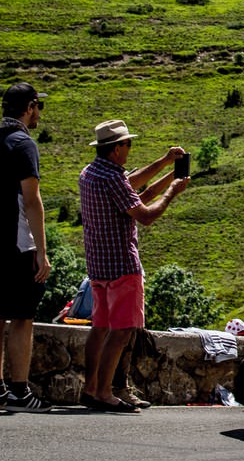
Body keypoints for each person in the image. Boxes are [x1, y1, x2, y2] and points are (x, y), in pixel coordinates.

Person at [78, 119, 189, 413]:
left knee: (99, 328)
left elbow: (135, 186)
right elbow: (146, 214)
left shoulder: (90, 173)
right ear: (117, 149)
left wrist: (166, 165)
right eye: (128, 144)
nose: (130, 149)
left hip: (98, 264)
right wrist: (172, 193)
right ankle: (105, 392)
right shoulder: (113, 178)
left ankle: (90, 388)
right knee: (123, 330)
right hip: (121, 264)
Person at [0, 82, 53, 412]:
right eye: (39, 108)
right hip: (15, 241)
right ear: (30, 107)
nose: (39, 115)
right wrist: (42, 251)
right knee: (22, 316)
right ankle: (21, 390)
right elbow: (32, 201)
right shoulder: (24, 144)